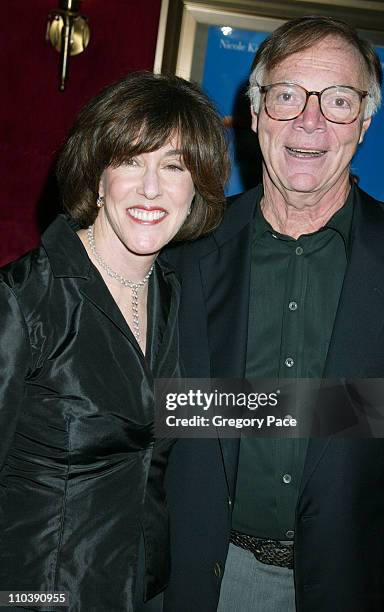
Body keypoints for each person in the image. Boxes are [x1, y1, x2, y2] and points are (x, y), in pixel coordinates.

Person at [163, 15, 384, 612]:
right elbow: (155, 410)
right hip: (207, 579)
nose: (309, 121)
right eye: (288, 95)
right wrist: (365, 406)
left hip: (359, 585)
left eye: (339, 101)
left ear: (365, 124)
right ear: (254, 113)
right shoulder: (183, 252)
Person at [0, 72, 228, 611]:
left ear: (196, 187)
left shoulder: (175, 298)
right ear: (97, 179)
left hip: (145, 593)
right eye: (130, 161)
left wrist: (373, 409)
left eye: (173, 166)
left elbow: (206, 413)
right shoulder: (24, 298)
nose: (151, 188)